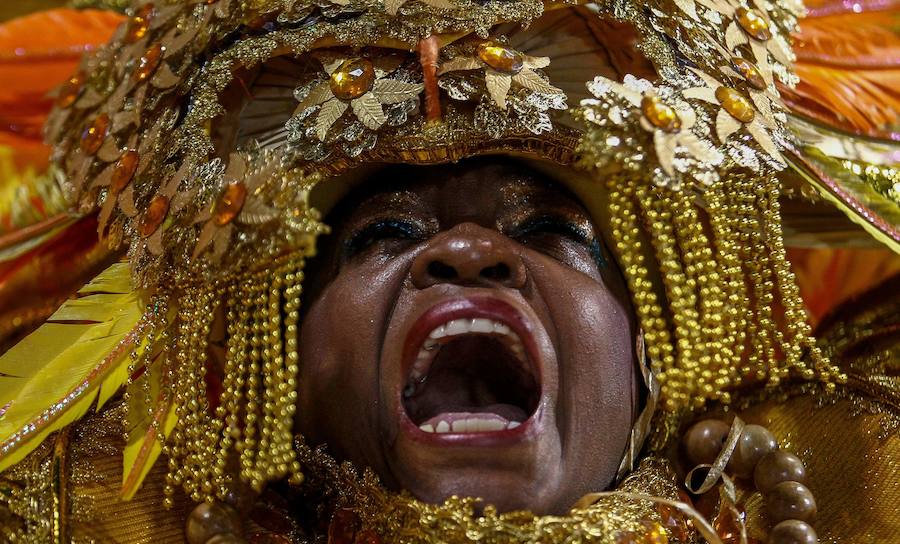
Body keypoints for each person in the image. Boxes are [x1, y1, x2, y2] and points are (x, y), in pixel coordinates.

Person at [0, 0, 897, 542]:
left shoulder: (862, 487)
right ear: (287, 382)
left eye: (550, 231)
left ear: (651, 363)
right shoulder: (77, 515)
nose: (468, 251)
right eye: (383, 234)